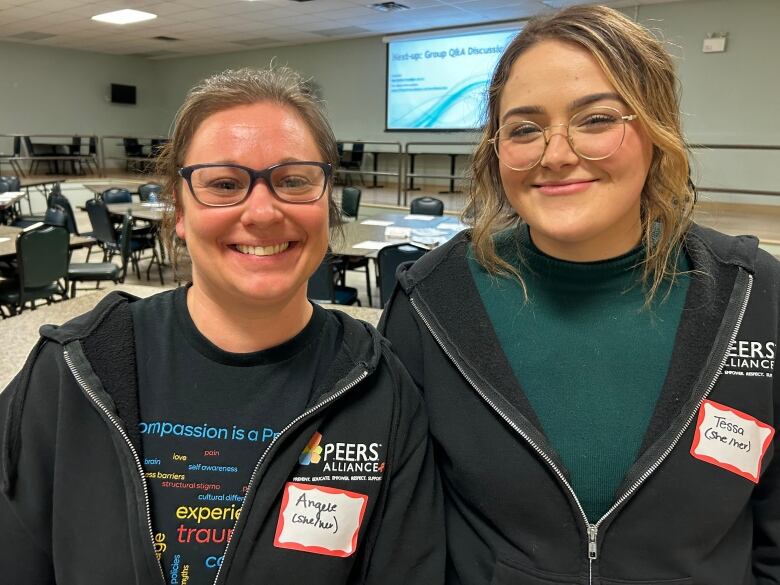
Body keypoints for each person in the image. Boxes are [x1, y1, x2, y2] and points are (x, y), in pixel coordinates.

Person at [381, 5, 779, 584]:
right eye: (524, 128)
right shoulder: (431, 301)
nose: (557, 153)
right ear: (497, 150)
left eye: (596, 119)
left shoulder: (754, 296)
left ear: (657, 128)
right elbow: (405, 540)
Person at [0, 67, 443, 585]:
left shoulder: (381, 388)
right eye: (225, 184)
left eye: (294, 180)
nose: (261, 211)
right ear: (180, 210)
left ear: (327, 200)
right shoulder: (73, 370)